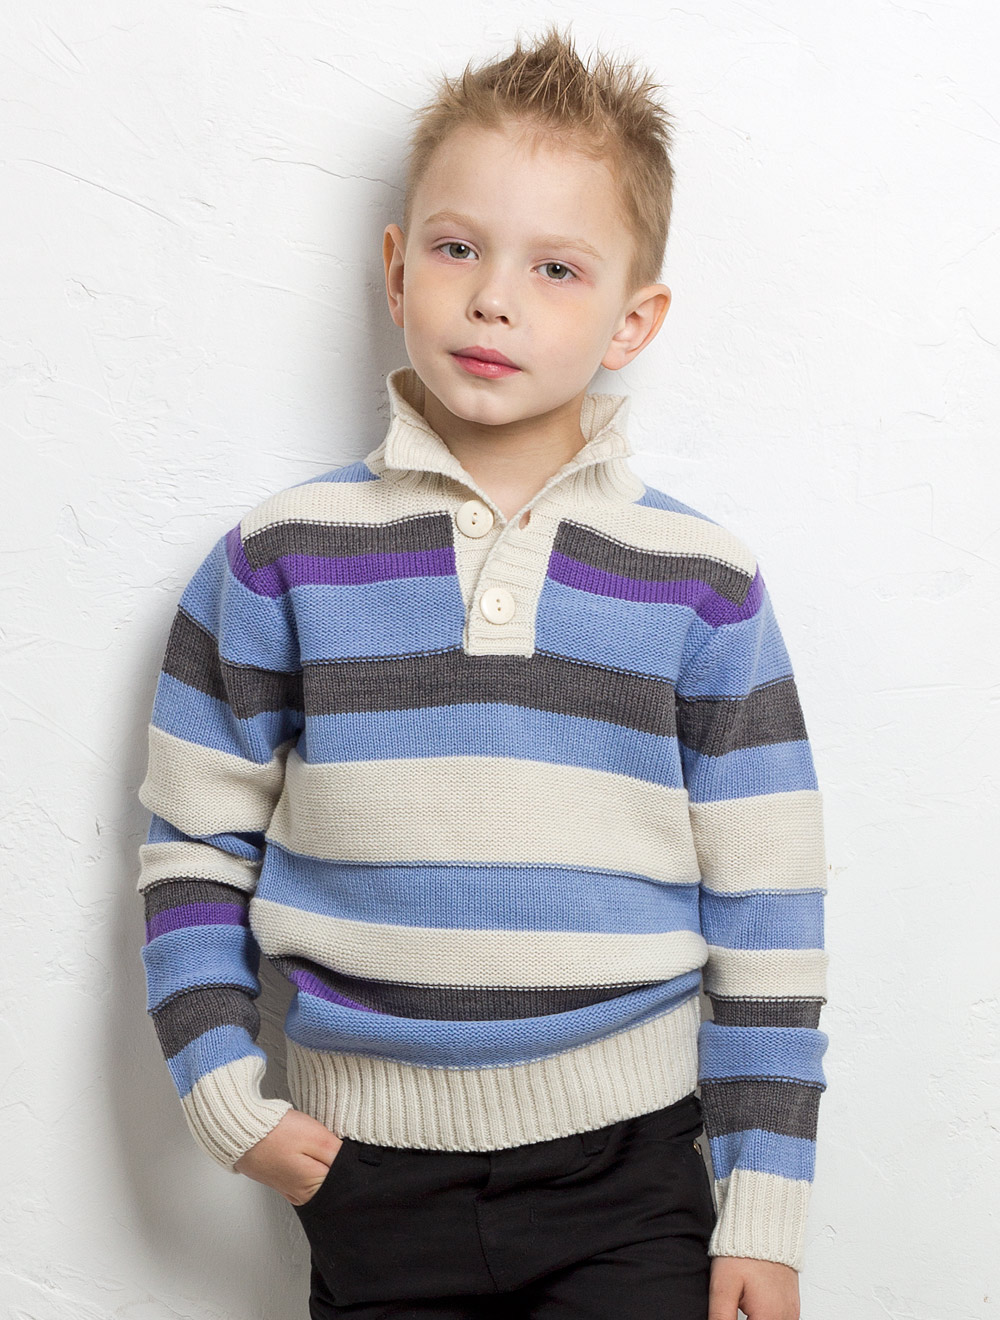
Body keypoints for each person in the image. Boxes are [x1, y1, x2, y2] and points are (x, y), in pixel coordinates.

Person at [135, 22, 828, 1320]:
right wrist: (223, 1093)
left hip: (631, 1171)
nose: (495, 297)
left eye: (556, 268)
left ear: (634, 319)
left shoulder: (704, 582)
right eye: (459, 249)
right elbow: (194, 843)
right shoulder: (279, 557)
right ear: (398, 268)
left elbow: (771, 905)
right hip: (366, 1172)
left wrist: (766, 1204)